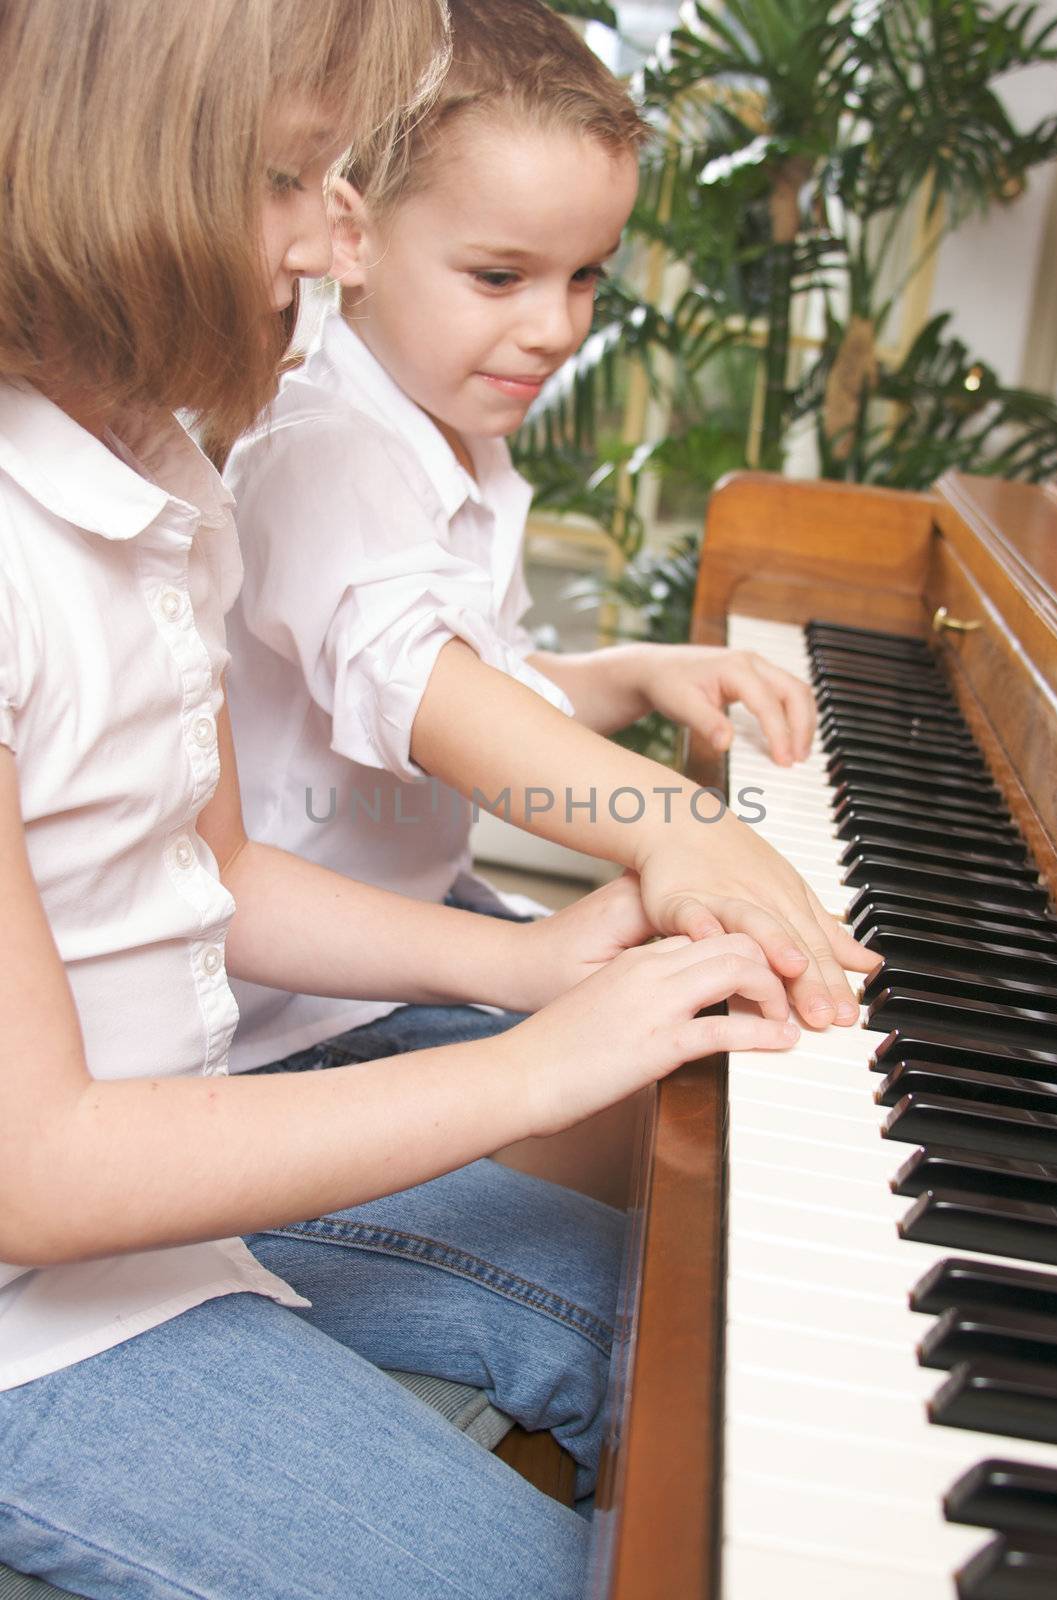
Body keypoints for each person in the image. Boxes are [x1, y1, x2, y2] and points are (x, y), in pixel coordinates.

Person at [0, 4, 801, 1597]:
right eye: (297, 176)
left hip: (169, 1192)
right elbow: (41, 1167)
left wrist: (521, 971)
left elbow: (209, 862)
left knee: (709, 1340)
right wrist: (534, 1068)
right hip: (40, 1298)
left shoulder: (160, 469)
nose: (340, 243)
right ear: (116, 178)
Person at [223, 0, 879, 1082]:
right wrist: (669, 815)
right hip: (299, 1025)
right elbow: (430, 692)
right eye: (499, 276)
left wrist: (632, 672)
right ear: (354, 235)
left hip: (412, 925)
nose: (557, 327)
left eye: (585, 276)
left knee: (711, 1056)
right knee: (674, 1134)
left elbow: (488, 679)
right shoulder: (321, 441)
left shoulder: (451, 432)